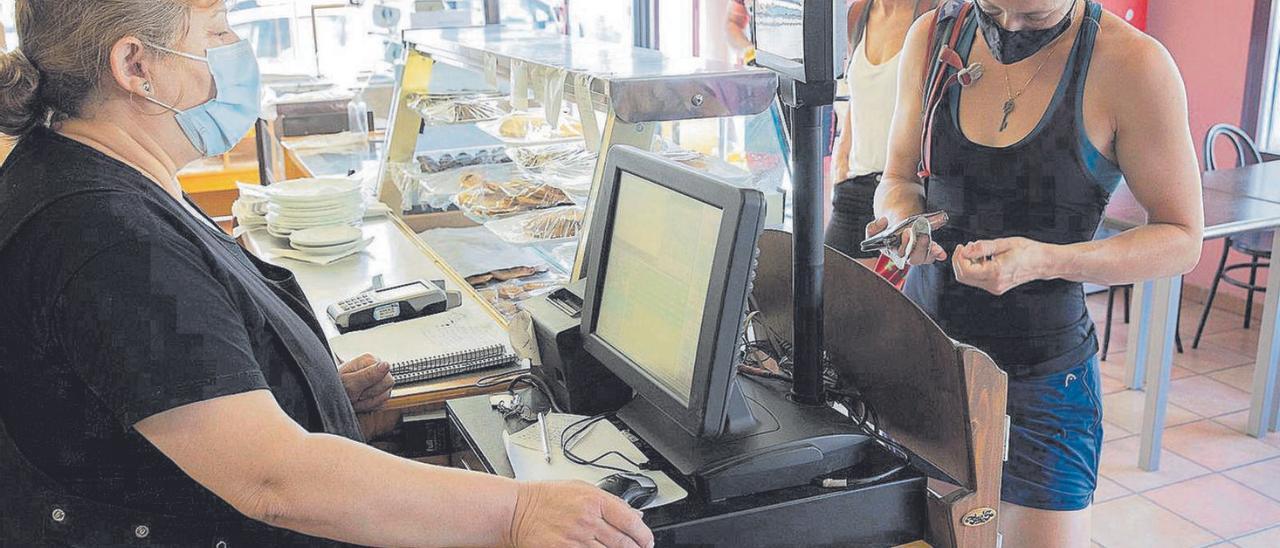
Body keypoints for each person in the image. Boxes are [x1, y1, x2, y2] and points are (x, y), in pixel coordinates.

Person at [0, 2, 654, 547]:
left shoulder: (99, 179)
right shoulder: (100, 234)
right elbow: (272, 480)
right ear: (135, 66)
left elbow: (158, 383)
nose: (235, 50)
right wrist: (517, 513)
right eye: (217, 33)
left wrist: (305, 394)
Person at [871, 0, 1203, 545]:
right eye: (994, 10)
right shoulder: (934, 35)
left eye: (1034, 17)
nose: (1008, 28)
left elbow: (1181, 238)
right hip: (928, 360)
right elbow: (897, 176)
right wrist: (909, 219)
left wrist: (1049, 259)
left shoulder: (1133, 65)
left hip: (1044, 376)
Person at [826, 0, 934, 262]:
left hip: (903, 195)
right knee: (823, 291)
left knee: (878, 301)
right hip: (854, 184)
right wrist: (842, 156)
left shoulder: (934, 16)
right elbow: (859, 91)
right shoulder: (857, 13)